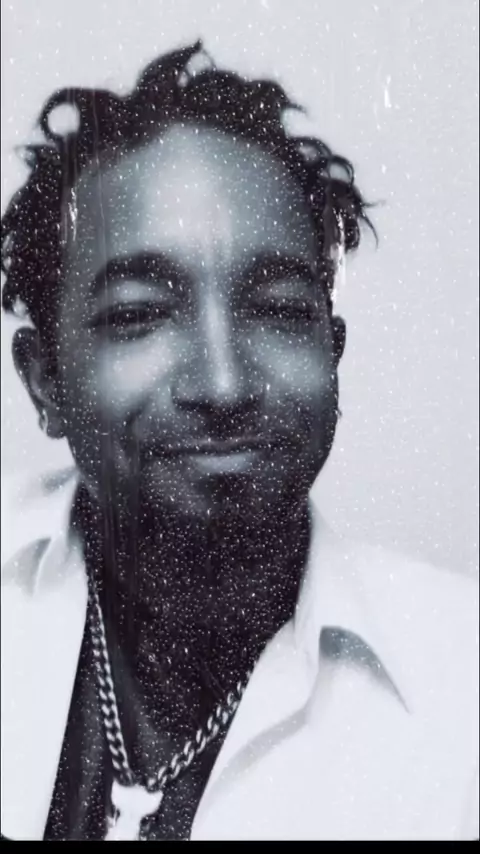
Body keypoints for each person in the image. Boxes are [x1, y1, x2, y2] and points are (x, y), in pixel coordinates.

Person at [1, 41, 478, 842]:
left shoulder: (463, 687)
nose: (223, 385)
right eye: (139, 314)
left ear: (333, 349)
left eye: (280, 310)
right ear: (45, 379)